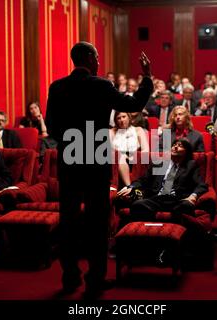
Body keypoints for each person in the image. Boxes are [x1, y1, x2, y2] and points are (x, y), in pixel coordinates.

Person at [45, 41, 153, 297]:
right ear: (90, 58)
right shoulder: (101, 85)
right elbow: (135, 104)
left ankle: (70, 277)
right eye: (97, 57)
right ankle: (95, 279)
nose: (99, 62)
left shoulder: (57, 87)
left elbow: (51, 126)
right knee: (97, 222)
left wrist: (72, 140)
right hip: (95, 159)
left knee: (68, 221)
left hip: (70, 160)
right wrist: (147, 76)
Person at [116, 138, 208, 224]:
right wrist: (131, 187)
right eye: (174, 145)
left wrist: (193, 196)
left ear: (186, 151)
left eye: (180, 146)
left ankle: (177, 232)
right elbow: (143, 180)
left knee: (186, 207)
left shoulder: (190, 165)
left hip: (178, 200)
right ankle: (152, 231)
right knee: (138, 205)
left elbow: (201, 185)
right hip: (157, 199)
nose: (175, 147)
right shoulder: (159, 164)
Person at [110, 112, 149, 186]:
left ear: (129, 117)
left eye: (124, 117)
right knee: (119, 157)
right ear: (115, 120)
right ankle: (128, 187)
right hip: (116, 160)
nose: (121, 120)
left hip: (135, 160)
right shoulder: (112, 131)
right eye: (118, 118)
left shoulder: (138, 130)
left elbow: (146, 150)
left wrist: (134, 156)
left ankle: (129, 188)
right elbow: (110, 149)